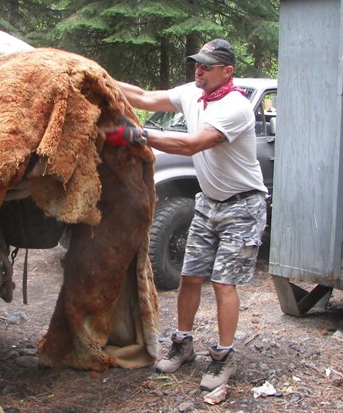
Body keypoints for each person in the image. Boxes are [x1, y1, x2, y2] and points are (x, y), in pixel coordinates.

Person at [104, 38, 267, 391]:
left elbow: (192, 144)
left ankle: (223, 357)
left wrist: (137, 134)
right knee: (190, 276)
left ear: (227, 71)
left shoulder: (235, 107)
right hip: (209, 202)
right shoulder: (192, 93)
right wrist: (99, 78)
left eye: (207, 65)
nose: (199, 69)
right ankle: (183, 344)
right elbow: (145, 97)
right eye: (197, 63)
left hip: (243, 205)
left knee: (223, 283)